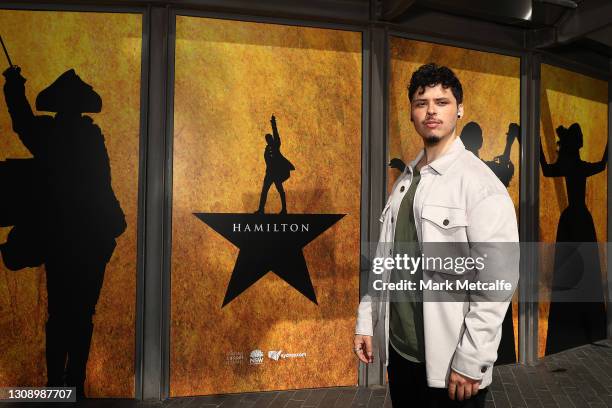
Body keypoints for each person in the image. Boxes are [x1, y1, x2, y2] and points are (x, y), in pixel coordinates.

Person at [354, 63, 519, 407]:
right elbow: (385, 261)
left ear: (459, 109)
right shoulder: (405, 182)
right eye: (421, 102)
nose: (431, 110)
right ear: (412, 113)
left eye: (441, 102)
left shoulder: (479, 183)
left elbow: (497, 283)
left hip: (451, 366)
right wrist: (367, 322)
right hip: (401, 355)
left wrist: (472, 360)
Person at [1, 66, 126, 398]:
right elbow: (103, 187)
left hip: (63, 238)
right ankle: (73, 383)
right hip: (92, 238)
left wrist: (14, 87)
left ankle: (57, 384)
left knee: (60, 314)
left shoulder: (50, 134)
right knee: (82, 314)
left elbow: (23, 123)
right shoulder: (92, 138)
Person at [254, 115, 295, 214]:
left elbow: (276, 133)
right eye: (267, 139)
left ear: (272, 138)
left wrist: (273, 123)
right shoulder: (266, 149)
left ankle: (284, 209)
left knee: (280, 190)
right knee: (264, 191)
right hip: (269, 173)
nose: (269, 140)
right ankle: (261, 210)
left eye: (270, 138)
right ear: (266, 140)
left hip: (276, 173)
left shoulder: (276, 144)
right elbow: (267, 162)